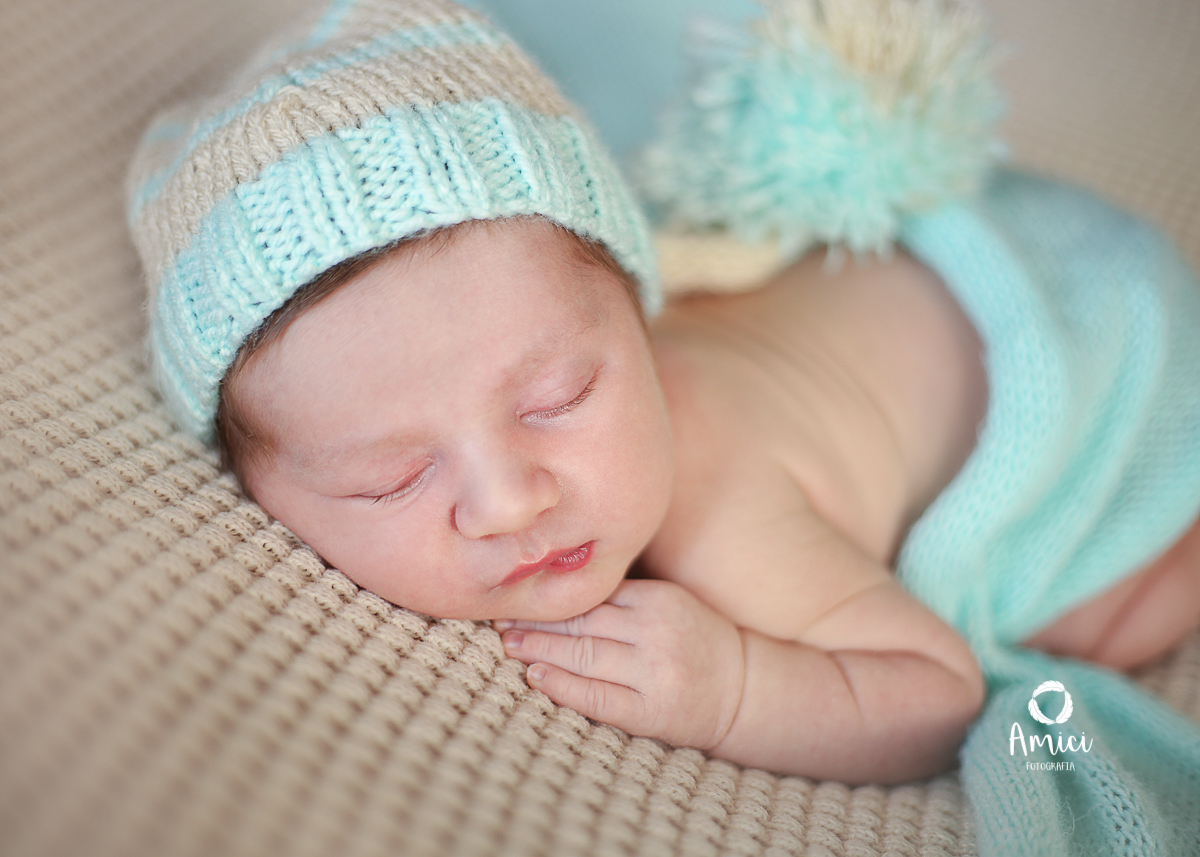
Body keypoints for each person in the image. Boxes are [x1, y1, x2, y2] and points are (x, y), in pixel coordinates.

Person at [127, 0, 1200, 793]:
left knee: (1100, 612)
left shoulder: (722, 504)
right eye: (391, 476)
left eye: (559, 396)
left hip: (1100, 358)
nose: (508, 500)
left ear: (638, 308)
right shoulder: (511, 342)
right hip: (902, 305)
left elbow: (937, 690)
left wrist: (734, 683)